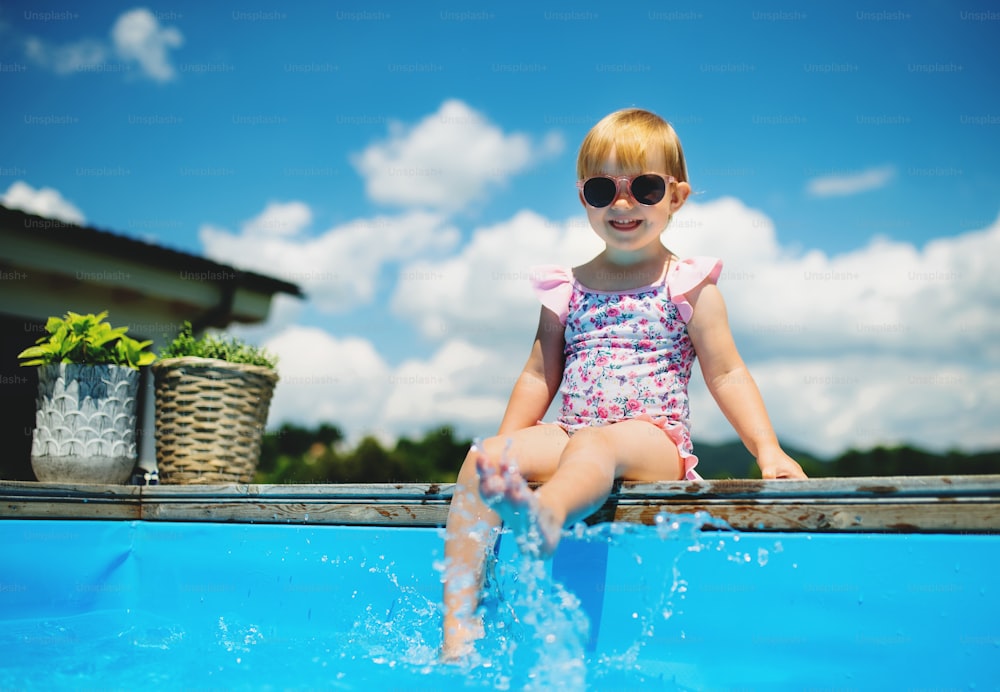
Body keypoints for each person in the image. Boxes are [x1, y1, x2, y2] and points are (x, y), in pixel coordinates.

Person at [440, 108, 806, 659]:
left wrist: (768, 450)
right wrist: (505, 458)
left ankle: (549, 514)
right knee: (481, 455)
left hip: (652, 438)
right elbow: (540, 373)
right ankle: (458, 619)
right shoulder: (567, 288)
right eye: (602, 188)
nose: (623, 202)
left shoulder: (687, 284)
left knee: (596, 444)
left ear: (676, 197)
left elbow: (727, 371)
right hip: (571, 429)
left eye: (646, 187)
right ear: (583, 197)